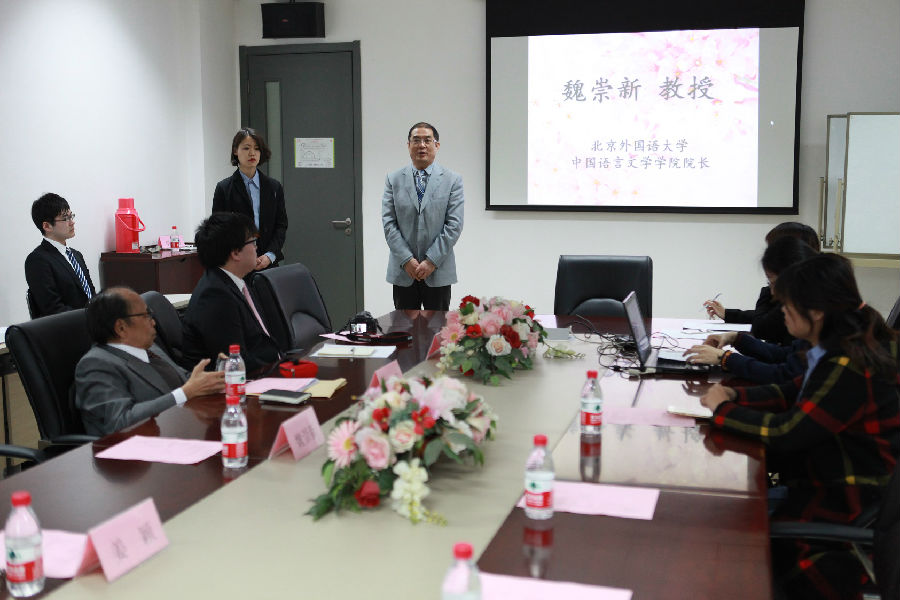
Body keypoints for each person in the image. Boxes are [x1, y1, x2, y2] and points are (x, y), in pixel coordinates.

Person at [699, 253, 900, 598]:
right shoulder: (841, 344)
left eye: (788, 306)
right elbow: (793, 389)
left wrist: (724, 411)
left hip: (844, 502)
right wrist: (733, 394)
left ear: (817, 312)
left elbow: (788, 432)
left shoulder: (849, 362)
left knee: (729, 531)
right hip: (835, 481)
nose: (783, 313)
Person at [75, 287, 224, 436]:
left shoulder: (150, 347)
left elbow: (183, 379)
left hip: (178, 427)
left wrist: (220, 374)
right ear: (121, 328)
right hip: (139, 445)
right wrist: (184, 393)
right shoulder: (96, 365)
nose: (153, 322)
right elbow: (119, 421)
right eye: (146, 315)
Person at [684, 236, 818, 383]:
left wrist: (725, 358)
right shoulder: (811, 331)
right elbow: (783, 354)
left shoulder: (824, 338)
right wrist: (735, 338)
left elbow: (783, 375)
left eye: (773, 282)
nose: (773, 292)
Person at [182, 212, 281, 373]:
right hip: (237, 383)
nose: (256, 247)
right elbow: (236, 362)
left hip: (263, 370)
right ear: (235, 253)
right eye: (253, 242)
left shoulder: (233, 283)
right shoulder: (215, 296)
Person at [382, 122, 464, 310]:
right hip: (404, 270)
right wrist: (407, 260)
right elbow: (389, 223)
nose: (422, 145)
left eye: (427, 140)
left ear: (437, 145)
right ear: (408, 145)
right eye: (416, 140)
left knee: (437, 326)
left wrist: (431, 261)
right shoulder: (393, 179)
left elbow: (454, 225)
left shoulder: (452, 180)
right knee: (404, 325)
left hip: (438, 270)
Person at [702, 221, 820, 345]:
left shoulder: (803, 297)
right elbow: (768, 317)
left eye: (771, 248)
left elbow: (761, 328)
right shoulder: (809, 287)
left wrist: (770, 286)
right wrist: (728, 314)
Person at [212, 128, 288, 270]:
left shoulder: (274, 187)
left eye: (257, 148)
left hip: (268, 263)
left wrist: (269, 255)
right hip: (237, 263)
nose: (252, 153)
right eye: (246, 148)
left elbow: (281, 225)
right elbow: (218, 229)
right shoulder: (224, 188)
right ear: (236, 151)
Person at [25, 193, 96, 318]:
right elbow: (53, 309)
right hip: (68, 325)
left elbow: (91, 295)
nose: (72, 222)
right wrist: (88, 318)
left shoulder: (76, 255)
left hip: (93, 322)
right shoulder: (37, 260)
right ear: (47, 226)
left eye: (71, 216)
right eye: (65, 218)